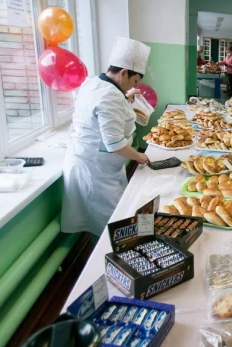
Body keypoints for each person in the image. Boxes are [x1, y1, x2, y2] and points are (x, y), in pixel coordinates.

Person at [62, 37, 151, 244]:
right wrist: (140, 157)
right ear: (123, 73)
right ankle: (105, 265)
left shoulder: (94, 82)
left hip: (96, 164)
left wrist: (127, 99)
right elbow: (115, 143)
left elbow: (103, 115)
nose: (136, 85)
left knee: (110, 220)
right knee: (110, 227)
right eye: (135, 80)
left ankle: (106, 256)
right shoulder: (109, 96)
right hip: (95, 170)